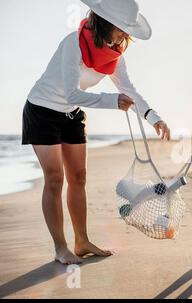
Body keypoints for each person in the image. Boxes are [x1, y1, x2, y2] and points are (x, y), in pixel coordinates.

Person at [21, 0, 170, 265]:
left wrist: (154, 118)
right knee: (55, 178)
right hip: (42, 110)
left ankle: (81, 241)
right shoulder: (73, 44)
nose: (125, 36)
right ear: (104, 22)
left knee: (78, 177)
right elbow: (71, 92)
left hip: (71, 114)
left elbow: (130, 90)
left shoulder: (115, 54)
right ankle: (60, 248)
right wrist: (113, 102)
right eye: (122, 28)